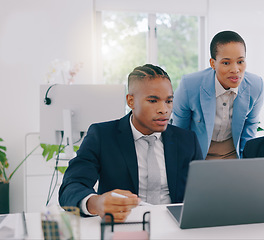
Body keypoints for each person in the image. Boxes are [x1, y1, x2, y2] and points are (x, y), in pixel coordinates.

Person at [59, 64, 203, 222]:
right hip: (124, 225)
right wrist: (97, 203)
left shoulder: (187, 140)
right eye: (153, 100)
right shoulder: (102, 136)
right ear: (131, 101)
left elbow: (203, 192)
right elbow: (71, 186)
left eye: (168, 101)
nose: (164, 109)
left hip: (174, 227)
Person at [172, 30, 264, 160]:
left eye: (240, 61)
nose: (235, 70)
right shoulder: (189, 86)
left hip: (232, 151)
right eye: (226, 63)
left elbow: (250, 126)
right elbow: (180, 132)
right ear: (212, 63)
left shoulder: (256, 86)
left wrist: (245, 162)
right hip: (197, 152)